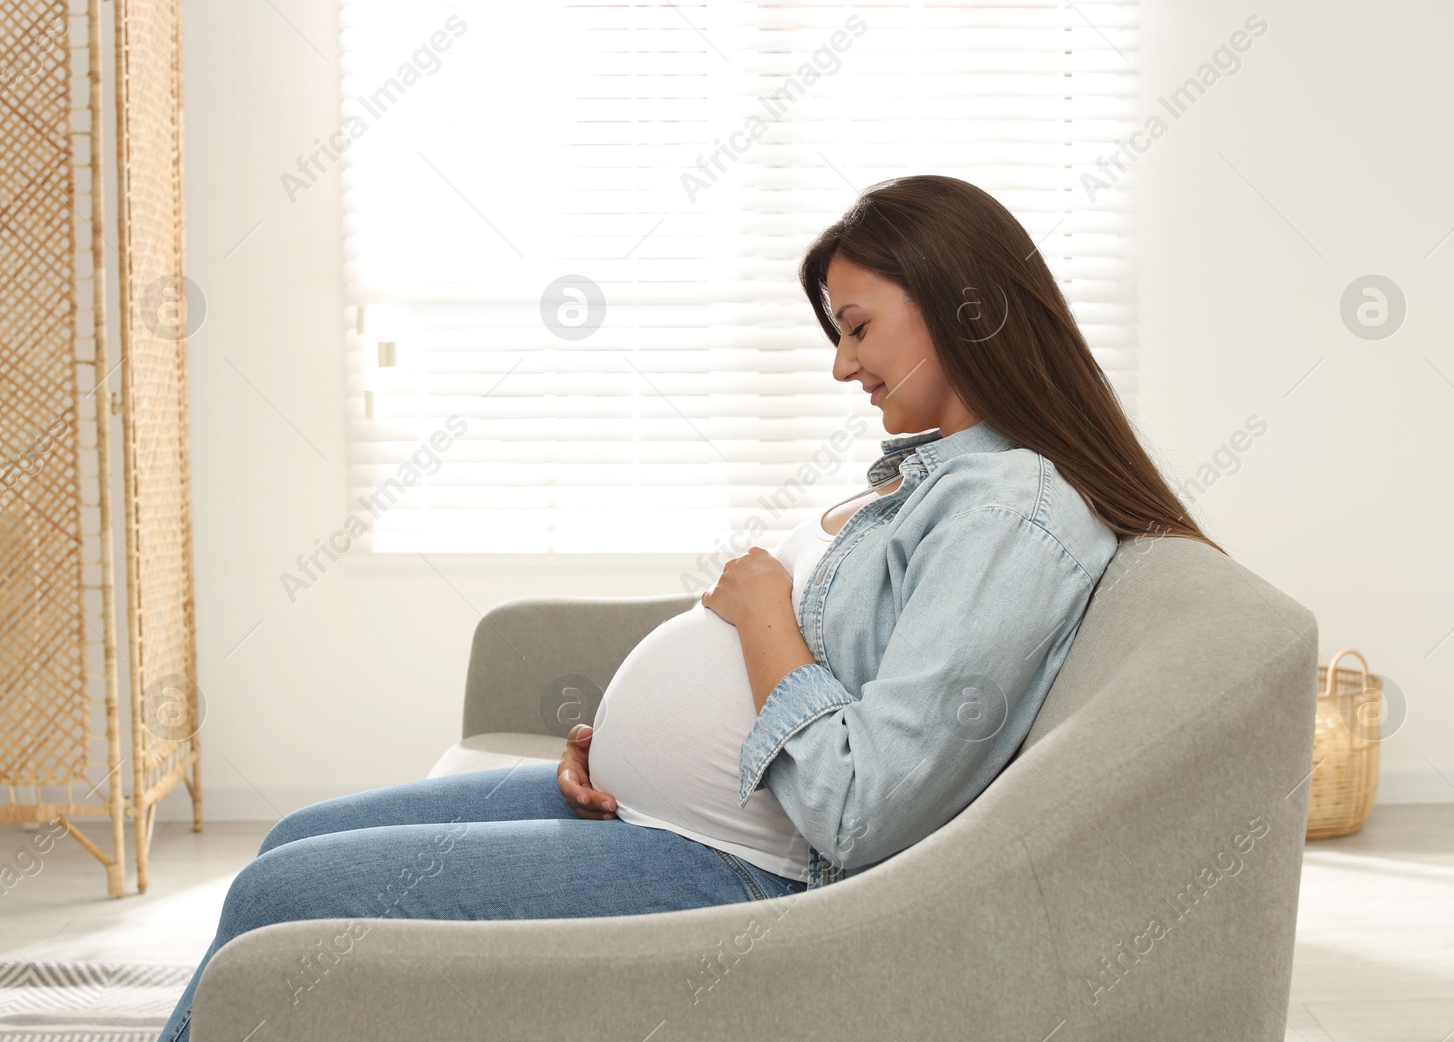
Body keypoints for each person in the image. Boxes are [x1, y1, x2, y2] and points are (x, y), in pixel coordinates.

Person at [156, 175, 1220, 1041]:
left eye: (856, 327)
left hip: (752, 871)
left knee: (274, 903)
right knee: (289, 839)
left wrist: (762, 611)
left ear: (960, 306)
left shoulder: (1012, 510)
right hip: (649, 808)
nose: (841, 362)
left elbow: (867, 808)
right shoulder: (935, 473)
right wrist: (617, 745)